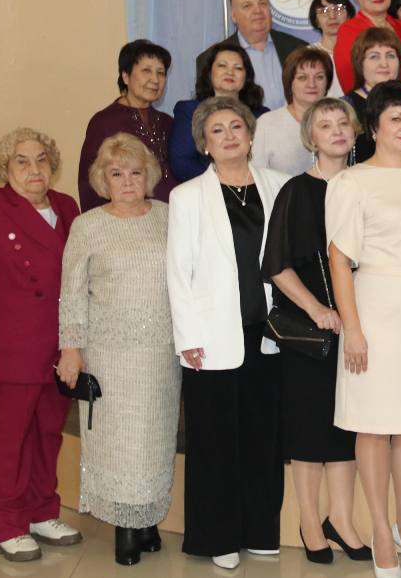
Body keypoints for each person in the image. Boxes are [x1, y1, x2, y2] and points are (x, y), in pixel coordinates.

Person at [325, 81, 401, 578]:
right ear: (373, 127)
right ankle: (380, 531)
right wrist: (353, 329)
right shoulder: (351, 182)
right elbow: (339, 260)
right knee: (375, 426)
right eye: (395, 118)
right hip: (375, 307)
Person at [166, 96, 289, 570]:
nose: (229, 136)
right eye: (217, 130)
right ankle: (217, 536)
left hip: (268, 331)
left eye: (236, 127)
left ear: (251, 135)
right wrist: (187, 338)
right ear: (204, 144)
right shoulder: (187, 196)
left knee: (263, 437)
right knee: (214, 440)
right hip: (211, 337)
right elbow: (178, 273)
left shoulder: (278, 185)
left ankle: (259, 530)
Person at [0, 127, 82, 563]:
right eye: (22, 161)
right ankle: (7, 524)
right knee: (3, 445)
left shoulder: (66, 207)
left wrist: (77, 345)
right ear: (5, 168)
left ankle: (41, 512)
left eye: (41, 159)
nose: (34, 169)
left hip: (58, 350)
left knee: (47, 437)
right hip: (4, 353)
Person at [57, 133, 179, 566]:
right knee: (120, 440)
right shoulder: (87, 225)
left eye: (135, 172)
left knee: (155, 437)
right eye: (116, 173)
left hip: (162, 351)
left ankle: (147, 520)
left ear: (149, 176)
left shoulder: (168, 216)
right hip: (109, 352)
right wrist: (71, 348)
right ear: (102, 180)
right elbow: (72, 293)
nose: (127, 181)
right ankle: (125, 528)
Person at [260, 97, 370, 565]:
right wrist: (319, 310)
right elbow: (276, 265)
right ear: (311, 137)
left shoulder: (365, 185)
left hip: (358, 326)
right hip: (311, 332)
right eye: (325, 125)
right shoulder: (296, 191)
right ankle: (309, 521)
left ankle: (341, 519)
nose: (337, 130)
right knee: (309, 431)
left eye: (343, 122)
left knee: (346, 428)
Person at [79, 39, 175, 211]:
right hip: (125, 220)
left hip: (172, 216)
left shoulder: (167, 122)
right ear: (125, 76)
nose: (155, 79)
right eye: (146, 71)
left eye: (161, 73)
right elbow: (89, 186)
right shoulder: (104, 122)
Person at [196, 0, 308, 110]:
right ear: (233, 16)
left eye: (262, 4)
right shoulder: (209, 59)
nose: (258, 11)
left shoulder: (298, 48)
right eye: (247, 6)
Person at [169, 41, 268, 182]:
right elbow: (182, 163)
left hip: (256, 185)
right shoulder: (189, 111)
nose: (230, 72)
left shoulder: (262, 115)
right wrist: (224, 182)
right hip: (206, 188)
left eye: (238, 68)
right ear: (209, 73)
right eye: (222, 66)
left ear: (246, 77)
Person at [251, 47, 333, 176]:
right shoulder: (266, 124)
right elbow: (256, 175)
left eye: (319, 77)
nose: (312, 84)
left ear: (327, 83)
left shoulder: (339, 121)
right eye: (302, 78)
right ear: (290, 83)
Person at [344, 27, 401, 163]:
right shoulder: (346, 107)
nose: (384, 64)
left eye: (390, 55)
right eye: (374, 57)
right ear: (360, 63)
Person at [308, 0, 355, 97]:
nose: (332, 16)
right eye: (324, 11)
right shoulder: (308, 55)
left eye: (338, 9)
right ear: (316, 21)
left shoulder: (362, 51)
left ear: (349, 15)